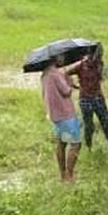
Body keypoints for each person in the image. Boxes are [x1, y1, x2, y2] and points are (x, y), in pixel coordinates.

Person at [40, 54, 81, 182]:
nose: (63, 59)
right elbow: (66, 91)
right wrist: (69, 83)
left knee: (61, 143)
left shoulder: (45, 74)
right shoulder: (56, 74)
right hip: (66, 113)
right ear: (55, 58)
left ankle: (62, 174)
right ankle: (69, 175)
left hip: (55, 114)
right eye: (61, 56)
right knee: (75, 144)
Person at [68, 45, 108, 150]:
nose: (99, 57)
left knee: (107, 123)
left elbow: (100, 77)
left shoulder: (99, 64)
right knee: (89, 126)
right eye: (97, 55)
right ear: (90, 55)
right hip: (85, 99)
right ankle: (89, 147)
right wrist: (72, 84)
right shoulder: (81, 65)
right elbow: (66, 73)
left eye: (100, 55)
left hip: (98, 97)